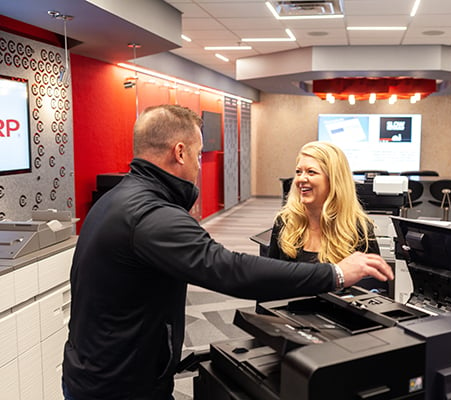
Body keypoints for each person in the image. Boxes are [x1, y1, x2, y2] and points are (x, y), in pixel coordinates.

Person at [61, 105, 393, 400]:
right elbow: (228, 268)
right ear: (180, 152)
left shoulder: (116, 199)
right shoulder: (152, 215)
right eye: (197, 154)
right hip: (120, 384)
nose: (199, 165)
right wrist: (334, 273)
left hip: (98, 368)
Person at [267, 141, 385, 291]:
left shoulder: (358, 229)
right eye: (298, 172)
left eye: (311, 172)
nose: (301, 179)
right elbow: (268, 283)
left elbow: (376, 289)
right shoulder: (285, 222)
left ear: (334, 180)